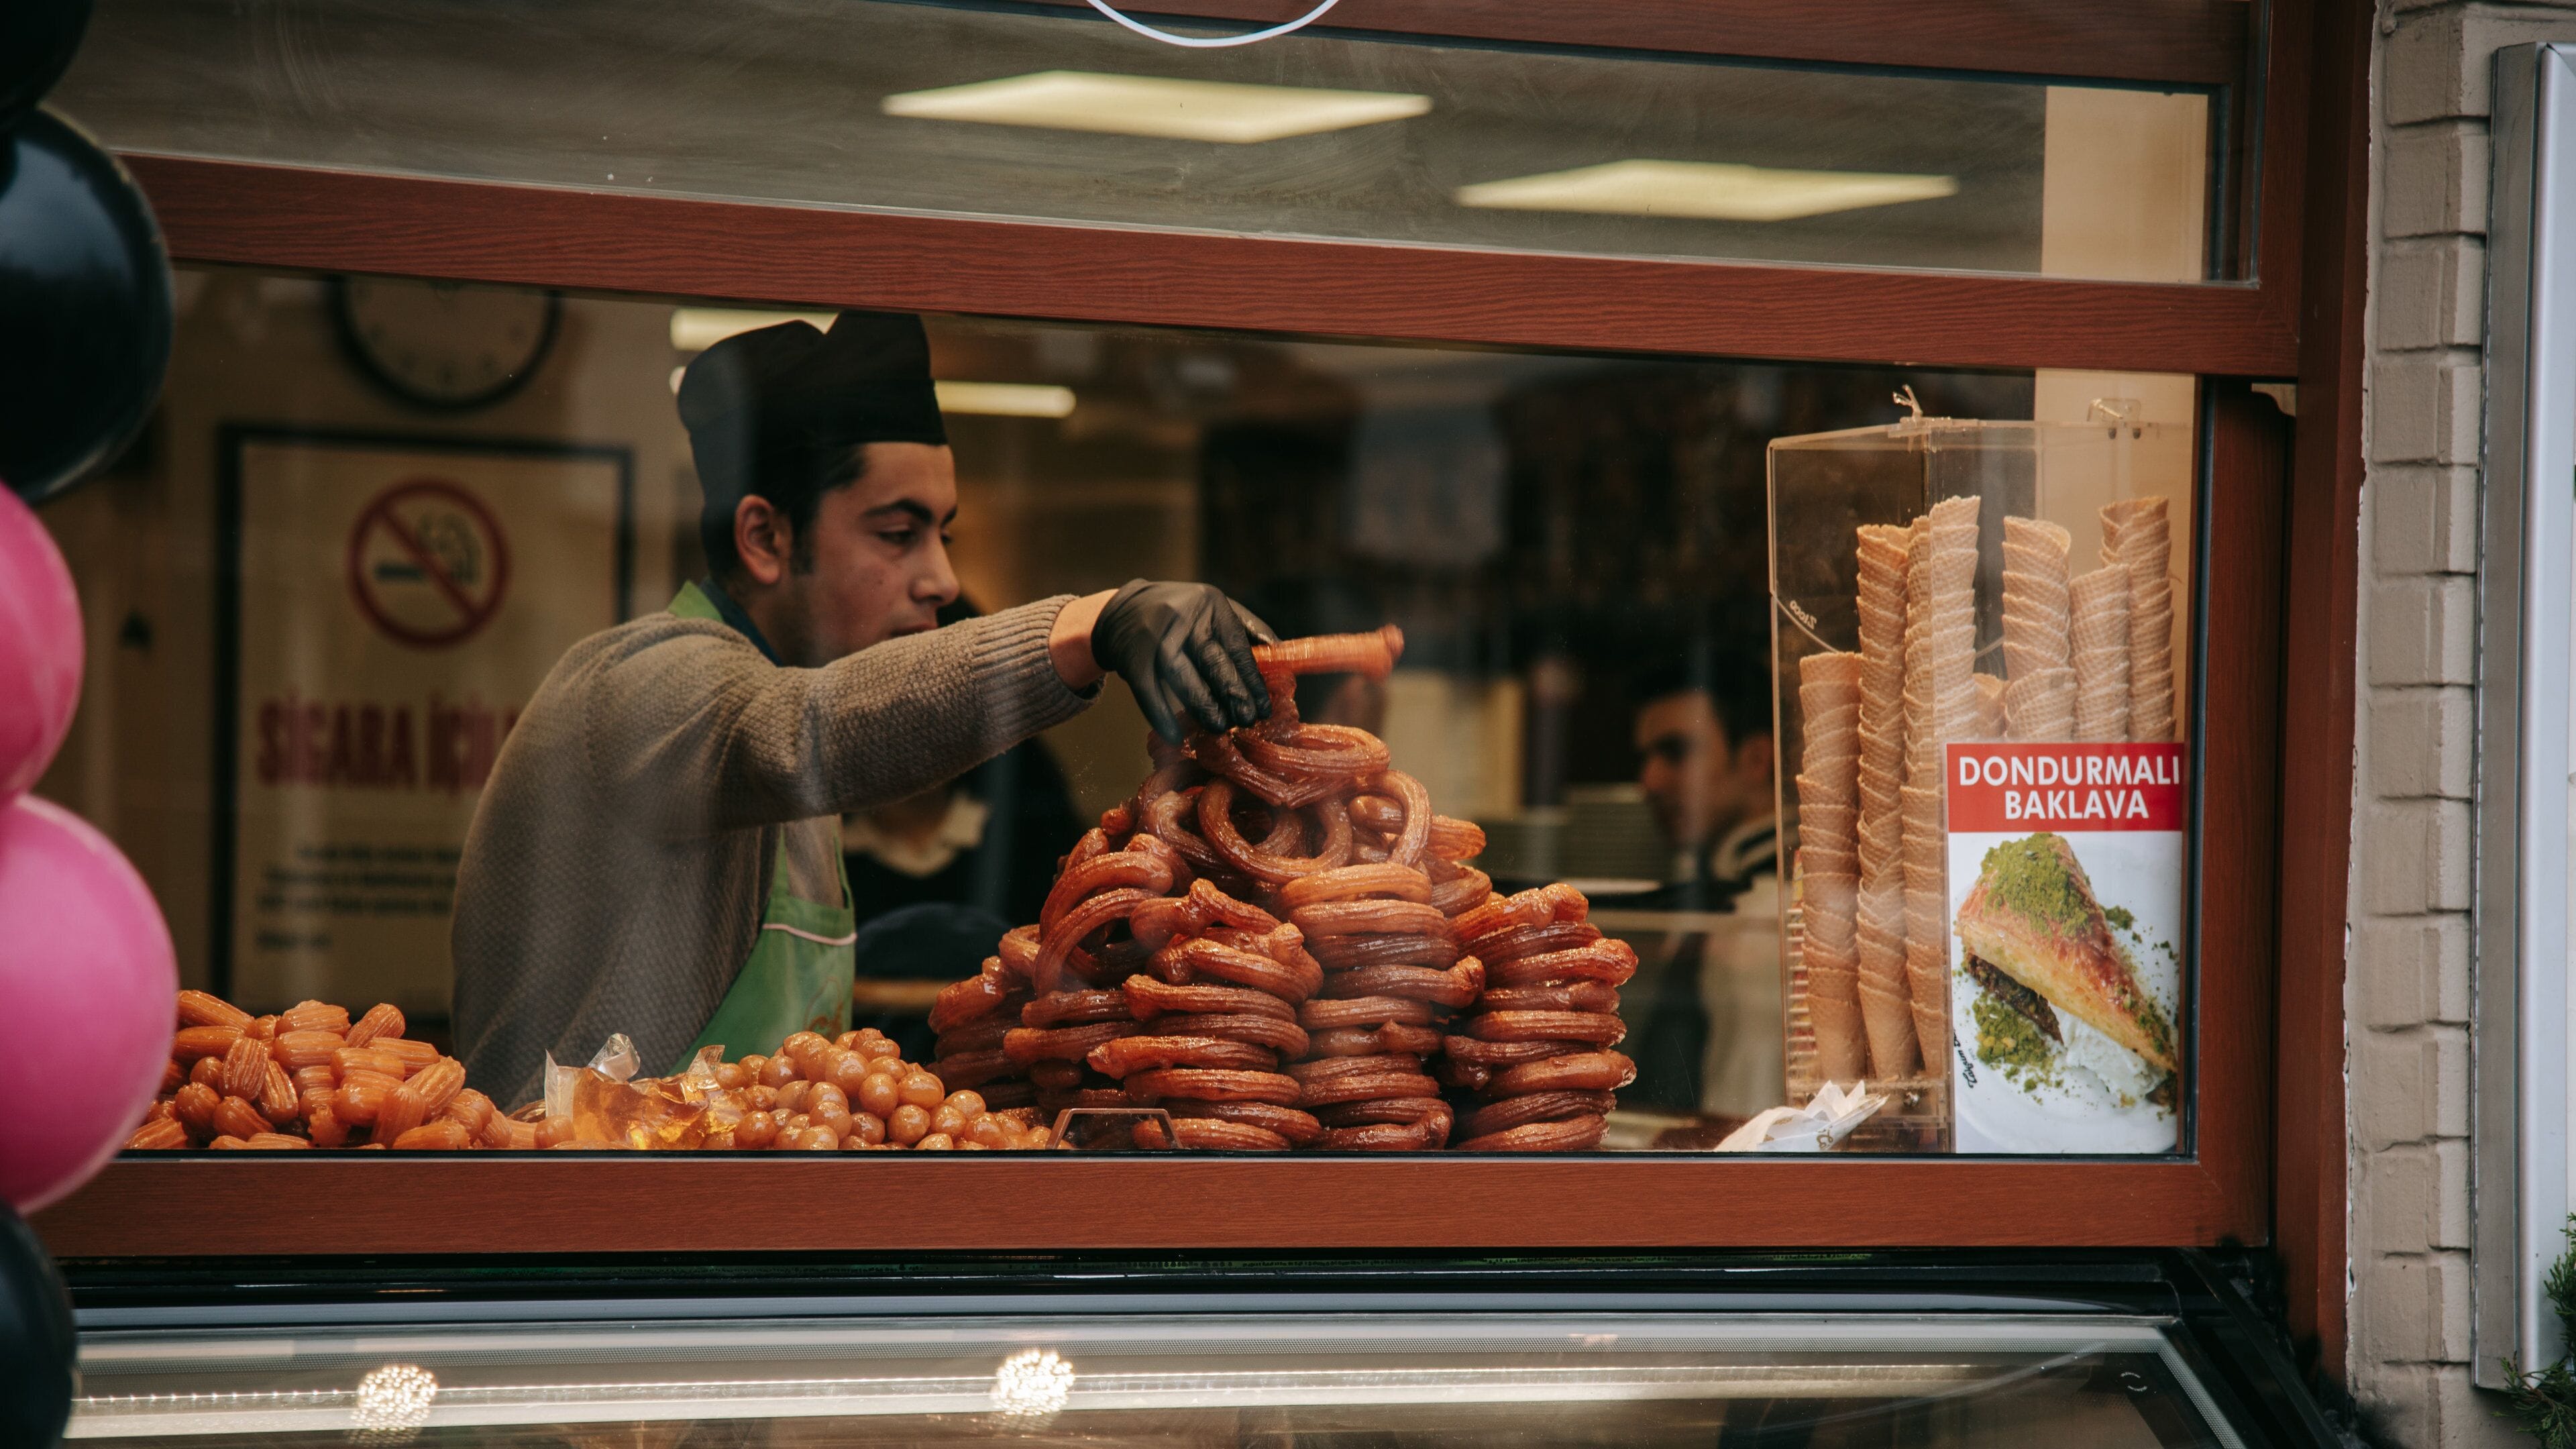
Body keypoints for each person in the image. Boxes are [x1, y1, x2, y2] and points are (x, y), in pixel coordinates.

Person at [451, 311, 1273, 1106]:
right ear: (764, 539)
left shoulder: (796, 726)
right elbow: (796, 732)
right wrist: (1083, 627)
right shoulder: (638, 686)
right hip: (590, 1228)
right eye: (896, 534)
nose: (943, 582)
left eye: (943, 535)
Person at [1619, 647, 1784, 1118]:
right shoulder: (1715, 895)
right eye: (1647, 757)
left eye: (1676, 751)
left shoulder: (1774, 910)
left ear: (1756, 760)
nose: (1649, 780)